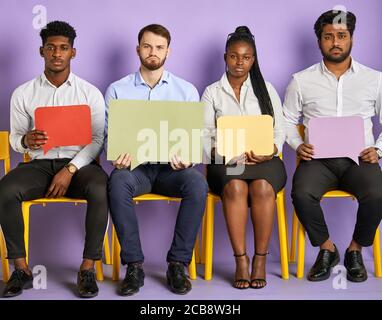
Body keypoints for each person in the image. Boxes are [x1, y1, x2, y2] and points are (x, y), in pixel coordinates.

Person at [0, 21, 108, 298]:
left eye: (63, 48)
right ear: (41, 51)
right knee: (5, 189)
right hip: (38, 164)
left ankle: (87, 268)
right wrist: (25, 140)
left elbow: (97, 141)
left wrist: (70, 169)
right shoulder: (23, 93)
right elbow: (15, 138)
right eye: (51, 48)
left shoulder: (89, 93)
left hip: (79, 164)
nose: (57, 53)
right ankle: (21, 269)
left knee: (101, 187)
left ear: (73, 52)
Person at [105, 24, 208, 296]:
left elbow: (195, 139)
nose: (153, 52)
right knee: (117, 182)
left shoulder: (186, 91)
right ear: (138, 49)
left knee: (197, 184)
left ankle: (177, 263)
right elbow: (107, 135)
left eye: (159, 47)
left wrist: (188, 159)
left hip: (170, 171)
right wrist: (116, 155)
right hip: (135, 170)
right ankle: (135, 265)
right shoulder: (117, 90)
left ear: (168, 51)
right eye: (147, 46)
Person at [283, 10, 382, 282]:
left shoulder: (374, 79)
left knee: (378, 192)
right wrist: (297, 143)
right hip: (318, 160)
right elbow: (287, 120)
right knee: (301, 192)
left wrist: (379, 149)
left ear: (351, 38)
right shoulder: (301, 80)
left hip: (360, 159)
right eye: (328, 37)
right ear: (319, 41)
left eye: (341, 36)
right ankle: (327, 249)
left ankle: (355, 250)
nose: (335, 42)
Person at [202, 26, 287, 289]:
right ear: (225, 57)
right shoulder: (212, 92)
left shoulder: (266, 89)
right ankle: (241, 259)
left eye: (246, 57)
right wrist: (223, 153)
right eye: (234, 56)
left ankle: (260, 259)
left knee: (262, 188)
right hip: (229, 162)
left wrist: (270, 151)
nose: (240, 63)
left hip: (265, 161)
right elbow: (204, 137)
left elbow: (280, 130)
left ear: (254, 59)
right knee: (237, 187)